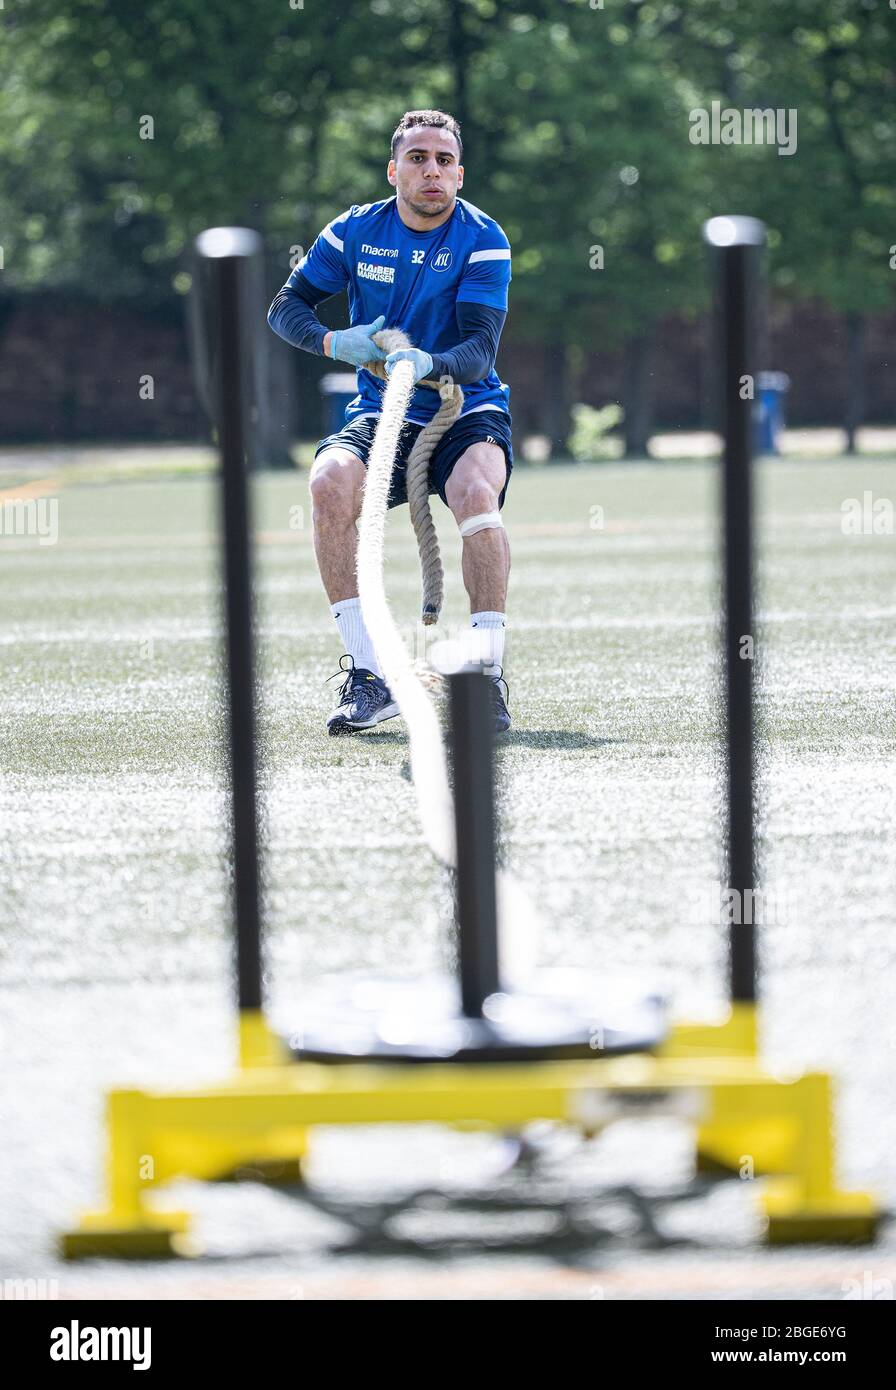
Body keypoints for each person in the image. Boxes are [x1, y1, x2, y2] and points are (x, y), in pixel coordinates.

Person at [268, 108, 513, 735]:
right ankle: (368, 674)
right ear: (393, 169)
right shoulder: (353, 232)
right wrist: (334, 342)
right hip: (382, 412)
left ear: (459, 173)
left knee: (476, 496)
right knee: (327, 485)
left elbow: (481, 347)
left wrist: (429, 361)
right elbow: (285, 308)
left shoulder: (484, 238)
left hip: (467, 406)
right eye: (417, 158)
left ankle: (485, 676)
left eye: (443, 161)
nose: (431, 171)